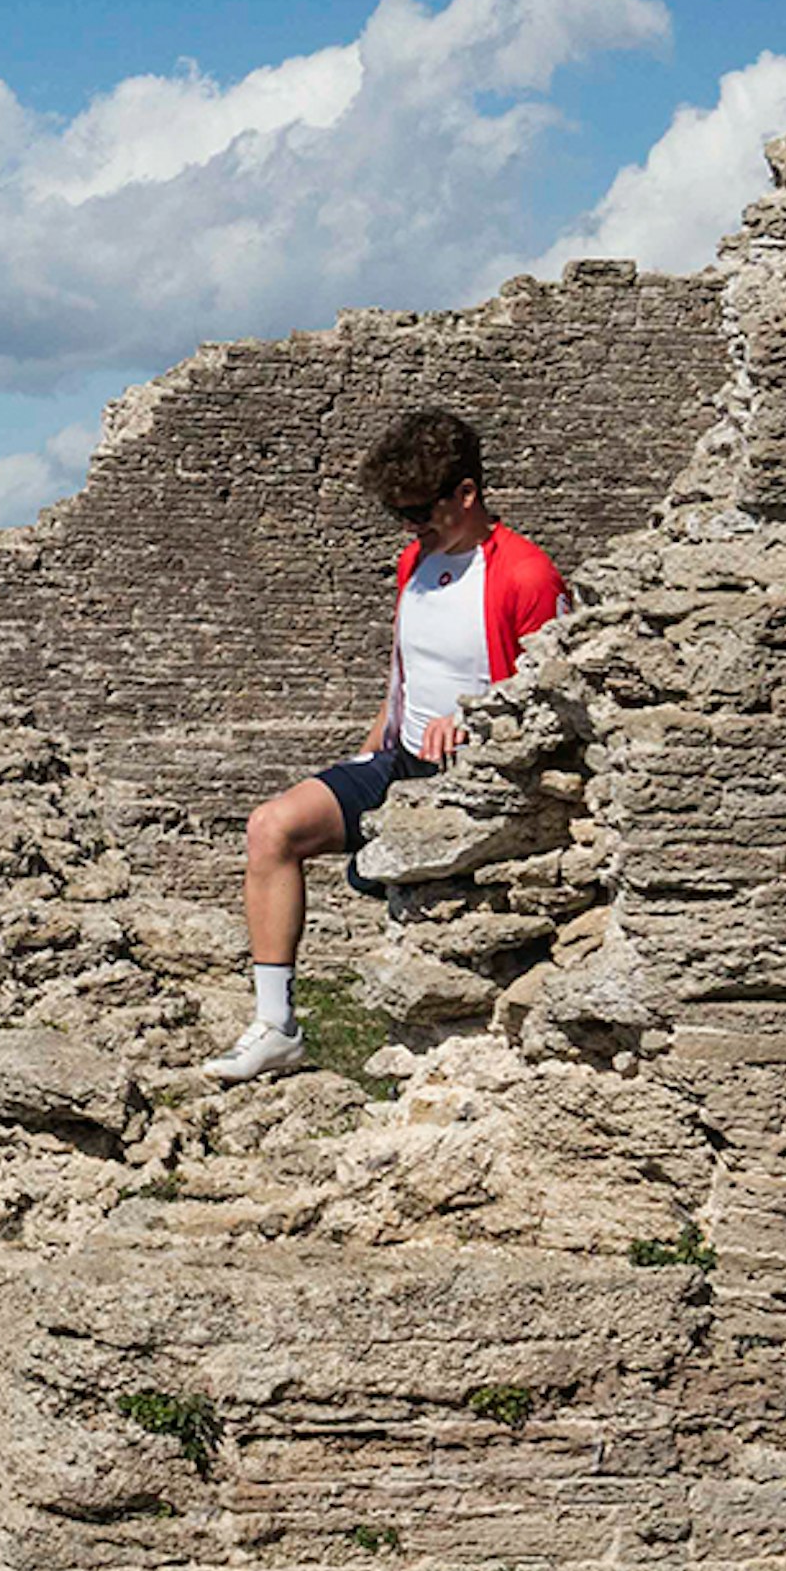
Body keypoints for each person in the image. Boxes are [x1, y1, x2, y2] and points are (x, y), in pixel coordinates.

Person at [200, 407, 565, 1083]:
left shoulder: (525, 576)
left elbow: (555, 698)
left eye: (422, 511)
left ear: (467, 493)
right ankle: (275, 1027)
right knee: (271, 828)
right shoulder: (413, 563)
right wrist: (370, 749)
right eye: (398, 514)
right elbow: (407, 675)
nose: (411, 527)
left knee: (381, 875)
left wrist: (478, 721)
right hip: (403, 759)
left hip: (475, 768)